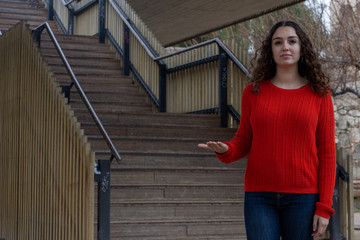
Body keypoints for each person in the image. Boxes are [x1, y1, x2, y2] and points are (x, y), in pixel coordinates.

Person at [198, 20, 336, 240]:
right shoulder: (252, 92)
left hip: (304, 198)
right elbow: (244, 140)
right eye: (278, 42)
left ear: (302, 48)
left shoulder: (320, 95)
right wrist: (226, 150)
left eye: (292, 41)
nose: (285, 47)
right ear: (270, 50)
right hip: (259, 197)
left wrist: (324, 207)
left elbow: (328, 156)